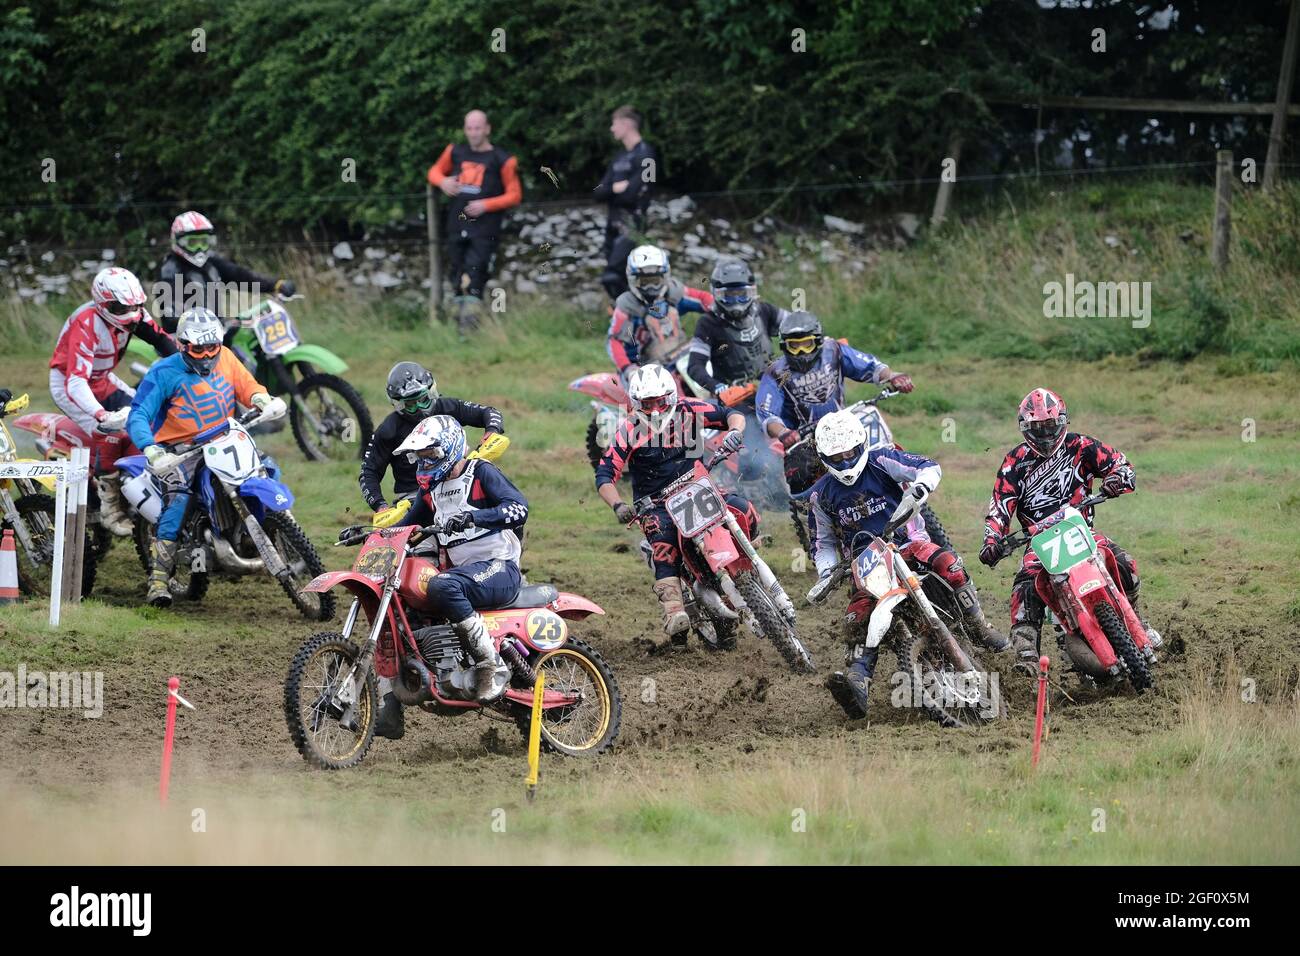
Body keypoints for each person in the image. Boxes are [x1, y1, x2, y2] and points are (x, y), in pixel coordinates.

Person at [807, 410, 1007, 718]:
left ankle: (979, 626)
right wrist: (825, 573)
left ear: (861, 444)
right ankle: (858, 682)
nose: (846, 462)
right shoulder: (821, 495)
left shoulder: (881, 461)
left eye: (850, 453)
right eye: (837, 456)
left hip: (909, 543)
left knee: (949, 563)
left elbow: (929, 466)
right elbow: (823, 544)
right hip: (867, 563)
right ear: (824, 456)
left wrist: (921, 487)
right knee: (855, 619)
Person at [979, 388, 1158, 667]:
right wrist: (992, 541)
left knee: (1123, 562)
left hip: (1081, 530)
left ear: (1062, 421)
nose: (1046, 434)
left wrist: (1116, 479)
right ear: (1025, 428)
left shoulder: (1082, 446)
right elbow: (999, 507)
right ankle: (1026, 652)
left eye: (1051, 426)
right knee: (1026, 583)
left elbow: (1122, 465)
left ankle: (1135, 616)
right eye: (1039, 428)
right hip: (1040, 541)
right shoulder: (1014, 462)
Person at [373, 415, 528, 736]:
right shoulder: (432, 491)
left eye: (430, 455)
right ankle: (393, 702)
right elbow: (408, 527)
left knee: (443, 584)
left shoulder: (480, 472)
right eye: (421, 457)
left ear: (449, 449)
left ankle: (491, 664)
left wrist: (474, 518)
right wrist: (370, 535)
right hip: (464, 576)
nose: (424, 462)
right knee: (403, 598)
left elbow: (519, 508)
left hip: (500, 566)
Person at [595, 363, 772, 644]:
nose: (654, 410)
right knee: (664, 546)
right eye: (646, 404)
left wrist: (735, 432)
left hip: (697, 486)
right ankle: (674, 609)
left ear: (671, 397)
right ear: (636, 403)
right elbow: (605, 474)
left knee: (742, 508)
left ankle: (747, 549)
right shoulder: (628, 430)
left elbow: (730, 413)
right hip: (655, 504)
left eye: (659, 402)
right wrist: (617, 504)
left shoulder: (689, 409)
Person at [127, 308, 285, 607]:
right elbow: (138, 414)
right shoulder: (163, 372)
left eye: (212, 346)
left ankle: (268, 532)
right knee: (179, 501)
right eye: (198, 348)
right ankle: (159, 579)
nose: (206, 354)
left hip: (226, 437)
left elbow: (246, 385)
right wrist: (150, 448)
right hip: (180, 450)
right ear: (182, 344)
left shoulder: (226, 356)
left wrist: (261, 399)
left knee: (267, 469)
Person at [48, 267, 176, 534]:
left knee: (149, 416)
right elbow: (76, 381)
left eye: (136, 306)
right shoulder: (87, 323)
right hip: (71, 384)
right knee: (111, 432)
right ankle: (109, 508)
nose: (130, 316)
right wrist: (101, 415)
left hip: (103, 378)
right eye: (120, 309)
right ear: (103, 304)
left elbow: (163, 342)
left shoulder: (135, 314)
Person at [756, 311, 914, 497]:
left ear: (818, 341)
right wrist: (783, 432)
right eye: (794, 346)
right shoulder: (776, 372)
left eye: (807, 344)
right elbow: (766, 412)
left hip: (843, 424)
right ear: (784, 346)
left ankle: (902, 486)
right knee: (800, 481)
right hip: (804, 438)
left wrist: (893, 376)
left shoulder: (834, 351)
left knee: (883, 450)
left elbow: (871, 366)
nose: (801, 352)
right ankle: (814, 517)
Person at [359, 362, 506, 524]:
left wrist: (492, 431)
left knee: (499, 505)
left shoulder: (448, 407)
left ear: (431, 392)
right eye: (410, 404)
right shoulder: (388, 429)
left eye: (423, 399)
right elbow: (368, 471)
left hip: (459, 480)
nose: (420, 408)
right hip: (414, 497)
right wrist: (380, 506)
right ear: (397, 403)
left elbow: (489, 412)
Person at [686, 258, 788, 478]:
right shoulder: (708, 323)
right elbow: (694, 367)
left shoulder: (765, 311)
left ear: (752, 291)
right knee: (757, 463)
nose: (736, 301)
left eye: (741, 294)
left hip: (775, 389)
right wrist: (719, 387)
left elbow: (796, 327)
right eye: (729, 296)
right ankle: (752, 490)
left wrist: (818, 340)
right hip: (740, 403)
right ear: (716, 293)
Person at [427, 110, 523, 328]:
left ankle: (471, 324)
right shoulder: (455, 152)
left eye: (477, 128)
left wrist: (486, 205)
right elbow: (433, 171)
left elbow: (515, 194)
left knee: (476, 270)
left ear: (487, 129)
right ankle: (458, 323)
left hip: (484, 227)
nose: (473, 133)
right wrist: (443, 182)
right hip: (456, 223)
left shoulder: (502, 159)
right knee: (456, 272)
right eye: (469, 128)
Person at [158, 211, 295, 333]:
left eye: (203, 242)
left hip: (218, 330)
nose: (199, 248)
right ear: (178, 241)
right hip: (186, 339)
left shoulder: (211, 262)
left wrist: (275, 285)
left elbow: (241, 276)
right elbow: (170, 316)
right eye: (193, 243)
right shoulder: (170, 270)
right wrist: (199, 324)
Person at [606, 245, 712, 384]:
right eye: (643, 281)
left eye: (655, 281)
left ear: (665, 276)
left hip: (680, 357)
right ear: (632, 278)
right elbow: (614, 341)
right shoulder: (627, 306)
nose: (650, 287)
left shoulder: (674, 293)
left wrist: (724, 309)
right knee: (644, 402)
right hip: (641, 369)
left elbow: (703, 298)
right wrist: (629, 369)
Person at [594, 106, 660, 300]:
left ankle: (636, 311)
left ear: (626, 124)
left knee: (613, 276)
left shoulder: (647, 154)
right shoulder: (619, 157)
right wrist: (615, 188)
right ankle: (626, 317)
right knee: (616, 276)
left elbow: (641, 192)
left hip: (633, 223)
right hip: (613, 222)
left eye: (614, 124)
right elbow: (598, 192)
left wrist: (616, 190)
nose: (612, 129)